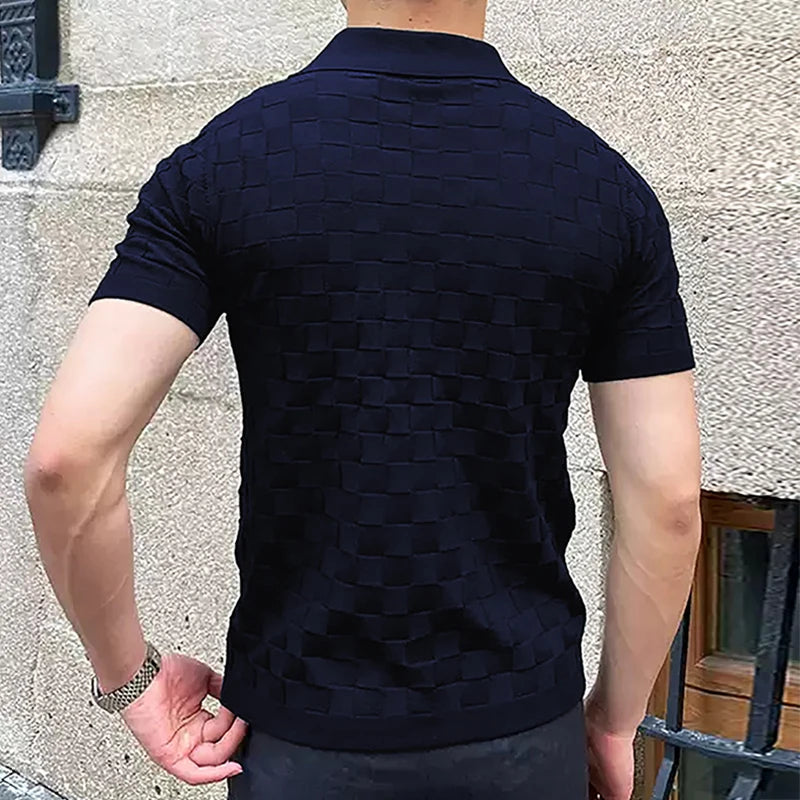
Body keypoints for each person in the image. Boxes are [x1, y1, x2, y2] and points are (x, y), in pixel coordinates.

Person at [23, 1, 702, 798]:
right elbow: (666, 501)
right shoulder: (603, 190)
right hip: (522, 735)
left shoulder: (226, 164)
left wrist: (130, 680)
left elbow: (67, 461)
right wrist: (615, 720)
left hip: (299, 738)